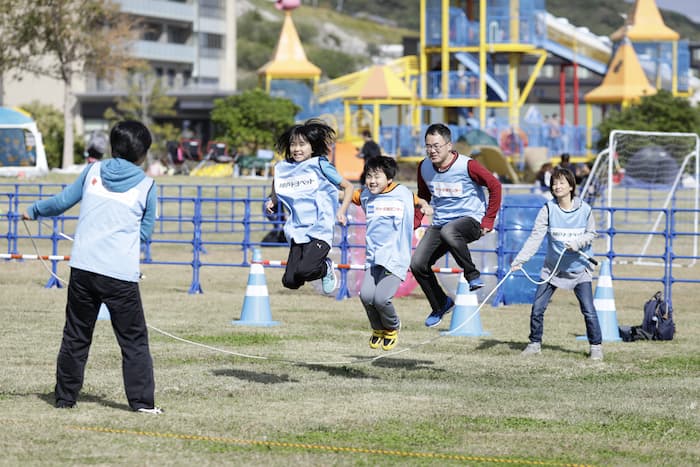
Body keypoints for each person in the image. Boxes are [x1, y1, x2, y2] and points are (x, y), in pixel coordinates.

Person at [23, 120, 162, 412]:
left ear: (113, 146)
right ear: (143, 154)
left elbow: (61, 201)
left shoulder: (92, 171)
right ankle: (141, 403)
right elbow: (144, 233)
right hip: (120, 275)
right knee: (133, 340)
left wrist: (33, 210)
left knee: (76, 334)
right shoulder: (147, 186)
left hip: (83, 268)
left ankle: (64, 398)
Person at [410, 123, 502, 328]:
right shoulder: (424, 167)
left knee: (449, 231)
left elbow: (495, 186)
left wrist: (488, 219)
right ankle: (440, 304)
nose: (432, 150)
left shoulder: (467, 165)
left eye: (436, 146)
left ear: (449, 145)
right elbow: (424, 196)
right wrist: (415, 221)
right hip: (441, 223)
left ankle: (472, 274)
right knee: (417, 264)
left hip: (471, 220)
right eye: (428, 146)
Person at [510, 166, 603, 360]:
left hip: (579, 269)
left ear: (571, 186)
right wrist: (520, 260)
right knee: (537, 308)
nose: (557, 186)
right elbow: (535, 238)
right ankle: (534, 344)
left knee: (588, 310)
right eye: (554, 182)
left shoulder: (584, 209)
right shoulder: (548, 209)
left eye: (561, 182)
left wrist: (577, 243)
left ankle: (596, 347)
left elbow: (592, 233)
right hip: (552, 269)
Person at [341, 156, 431, 350]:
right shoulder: (365, 195)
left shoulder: (403, 193)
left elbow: (419, 201)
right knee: (366, 296)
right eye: (369, 176)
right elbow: (348, 195)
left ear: (389, 178)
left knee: (381, 298)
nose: (372, 181)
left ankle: (392, 326)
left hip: (396, 258)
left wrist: (424, 206)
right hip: (374, 258)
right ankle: (377, 328)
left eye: (377, 176)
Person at [265, 118, 353, 294]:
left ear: (312, 147)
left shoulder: (320, 165)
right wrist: (273, 199)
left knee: (306, 270)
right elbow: (278, 181)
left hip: (320, 229)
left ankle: (326, 268)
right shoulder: (284, 167)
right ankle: (319, 268)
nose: (297, 149)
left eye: (302, 144)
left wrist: (341, 211)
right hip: (297, 230)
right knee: (290, 281)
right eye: (293, 144)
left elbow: (348, 187)